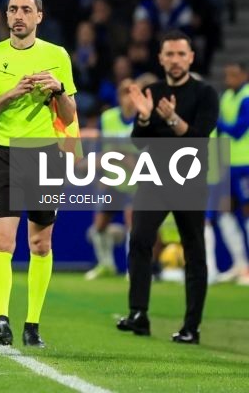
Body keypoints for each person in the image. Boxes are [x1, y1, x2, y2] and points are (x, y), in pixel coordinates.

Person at [0, 0, 77, 347]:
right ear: (6, 16)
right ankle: (2, 318)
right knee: (3, 242)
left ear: (38, 17)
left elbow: (69, 114)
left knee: (40, 243)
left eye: (26, 10)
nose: (19, 15)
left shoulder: (57, 56)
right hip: (3, 154)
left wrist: (59, 89)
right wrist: (12, 93)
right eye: (13, 9)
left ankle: (32, 325)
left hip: (45, 153)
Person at [118, 30, 219, 344]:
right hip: (155, 179)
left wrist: (173, 118)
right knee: (140, 240)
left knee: (194, 251)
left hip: (189, 180)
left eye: (181, 54)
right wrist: (146, 118)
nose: (175, 60)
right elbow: (139, 140)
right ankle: (138, 315)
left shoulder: (205, 93)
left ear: (190, 57)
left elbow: (198, 139)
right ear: (160, 58)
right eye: (169, 54)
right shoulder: (152, 91)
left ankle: (191, 326)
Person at [85, 79, 137, 280]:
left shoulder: (144, 119)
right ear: (118, 97)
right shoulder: (107, 118)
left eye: (133, 92)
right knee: (99, 224)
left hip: (137, 179)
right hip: (113, 178)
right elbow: (100, 150)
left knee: (133, 221)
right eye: (125, 93)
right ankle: (106, 265)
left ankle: (134, 269)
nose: (129, 97)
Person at [214, 62, 249, 284]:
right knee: (223, 212)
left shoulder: (247, 97)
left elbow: (237, 130)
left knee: (247, 211)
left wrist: (215, 120)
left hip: (246, 163)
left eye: (234, 75)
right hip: (227, 164)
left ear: (245, 75)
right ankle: (240, 264)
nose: (230, 79)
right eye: (227, 75)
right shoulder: (227, 96)